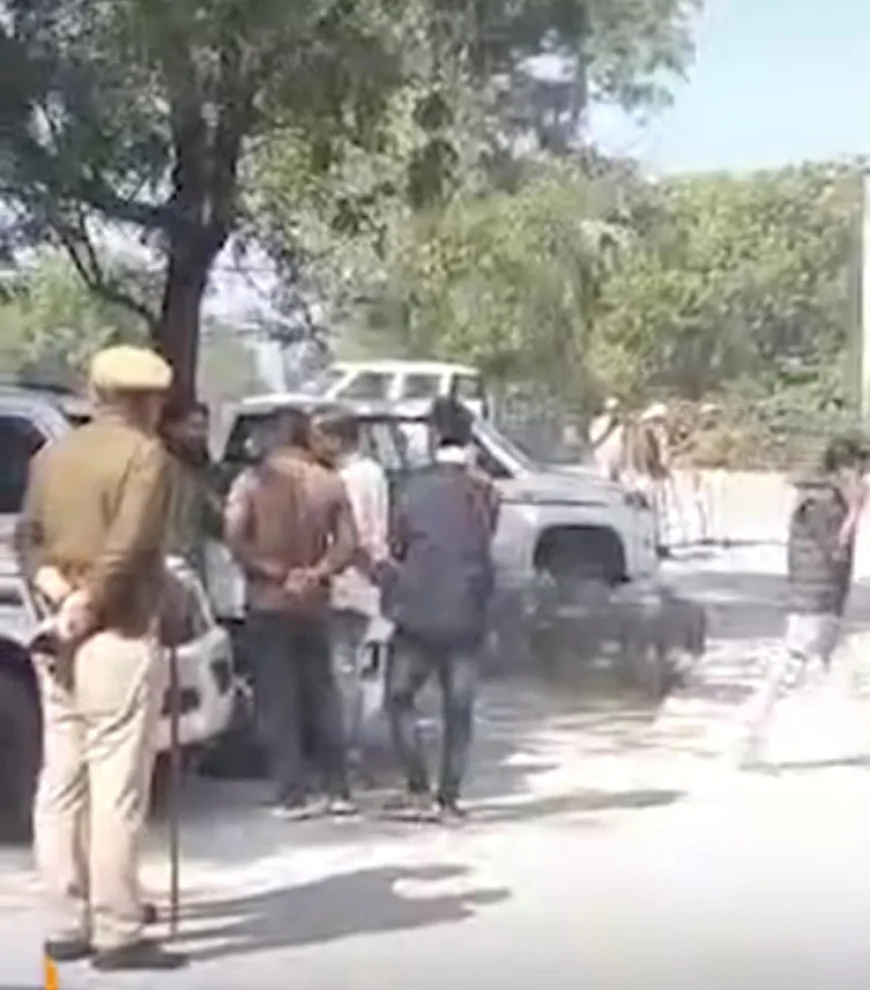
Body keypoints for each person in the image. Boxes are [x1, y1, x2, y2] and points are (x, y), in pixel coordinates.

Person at [16, 345, 185, 971]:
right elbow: (129, 545)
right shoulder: (146, 456)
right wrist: (88, 603)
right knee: (116, 785)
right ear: (149, 402)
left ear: (95, 394)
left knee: (61, 779)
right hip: (117, 629)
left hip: (55, 628)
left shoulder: (52, 455)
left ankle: (66, 920)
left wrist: (57, 592)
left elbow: (27, 538)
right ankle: (118, 928)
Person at [223, 405, 359, 819]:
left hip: (268, 601)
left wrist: (270, 570)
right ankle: (337, 789)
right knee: (322, 695)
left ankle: (291, 793)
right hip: (313, 603)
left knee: (278, 700)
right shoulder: (329, 482)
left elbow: (234, 536)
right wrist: (317, 573)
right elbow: (348, 544)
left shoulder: (252, 481)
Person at [382, 397, 498, 822]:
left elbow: (397, 545)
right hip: (467, 611)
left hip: (418, 611)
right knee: (459, 709)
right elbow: (485, 539)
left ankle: (417, 787)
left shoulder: (412, 487)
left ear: (432, 435)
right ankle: (449, 799)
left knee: (399, 697)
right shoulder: (484, 490)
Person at [739, 435, 868, 768]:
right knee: (794, 662)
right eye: (859, 470)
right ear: (845, 468)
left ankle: (769, 730)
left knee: (820, 661)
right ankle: (753, 730)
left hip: (816, 592)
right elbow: (836, 550)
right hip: (816, 595)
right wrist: (856, 511)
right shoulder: (826, 503)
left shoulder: (817, 497)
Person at [316, 411, 392, 776]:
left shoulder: (345, 479)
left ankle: (346, 748)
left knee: (341, 670)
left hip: (347, 579)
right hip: (370, 579)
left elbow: (354, 535)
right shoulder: (375, 472)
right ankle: (354, 744)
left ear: (335, 440)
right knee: (358, 668)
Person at [162, 400, 223, 578]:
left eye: (204, 428)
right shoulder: (159, 466)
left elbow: (213, 519)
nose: (200, 435)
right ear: (172, 428)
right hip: (165, 560)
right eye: (193, 427)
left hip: (193, 558)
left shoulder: (200, 470)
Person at [588, 397, 624, 482]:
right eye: (613, 409)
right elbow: (594, 435)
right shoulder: (600, 421)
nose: (614, 411)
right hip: (604, 449)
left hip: (618, 449)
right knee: (606, 473)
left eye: (616, 408)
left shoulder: (622, 420)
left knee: (617, 473)